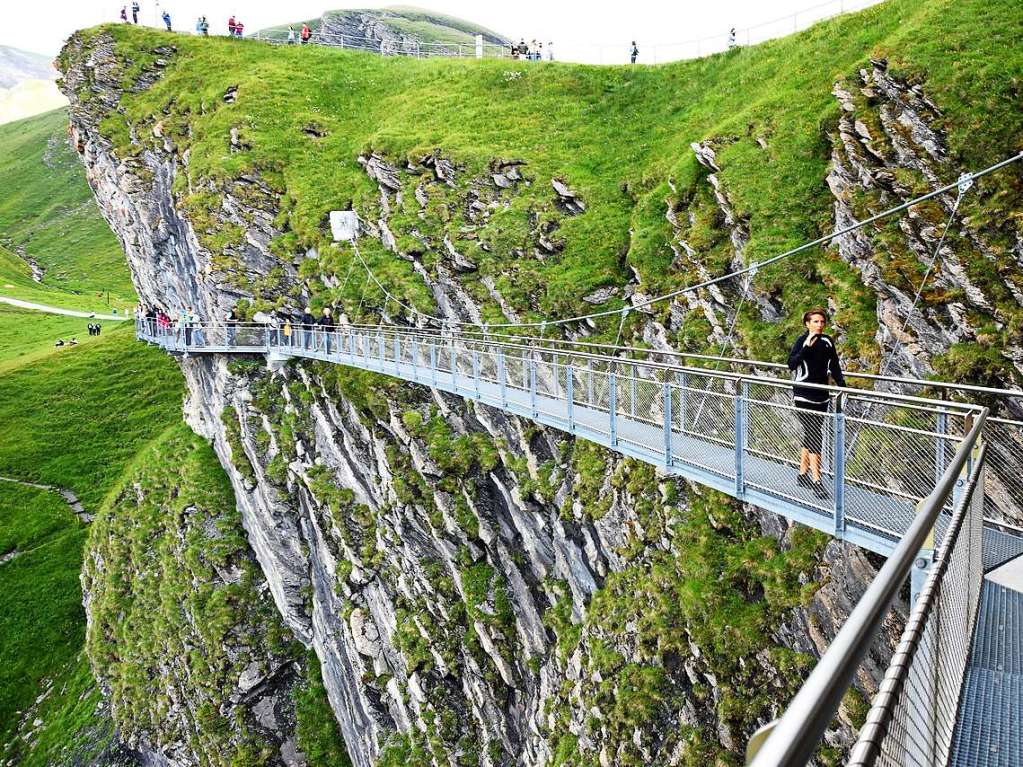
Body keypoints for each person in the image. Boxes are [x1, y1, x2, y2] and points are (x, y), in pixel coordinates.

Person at [788, 308, 846, 499]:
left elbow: (834, 365)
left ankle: (802, 474)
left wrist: (843, 386)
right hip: (803, 394)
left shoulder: (828, 341)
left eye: (822, 322)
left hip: (822, 395)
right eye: (815, 322)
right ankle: (816, 480)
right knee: (814, 432)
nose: (819, 325)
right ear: (807, 324)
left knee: (811, 432)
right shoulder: (801, 341)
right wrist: (806, 346)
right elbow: (791, 364)